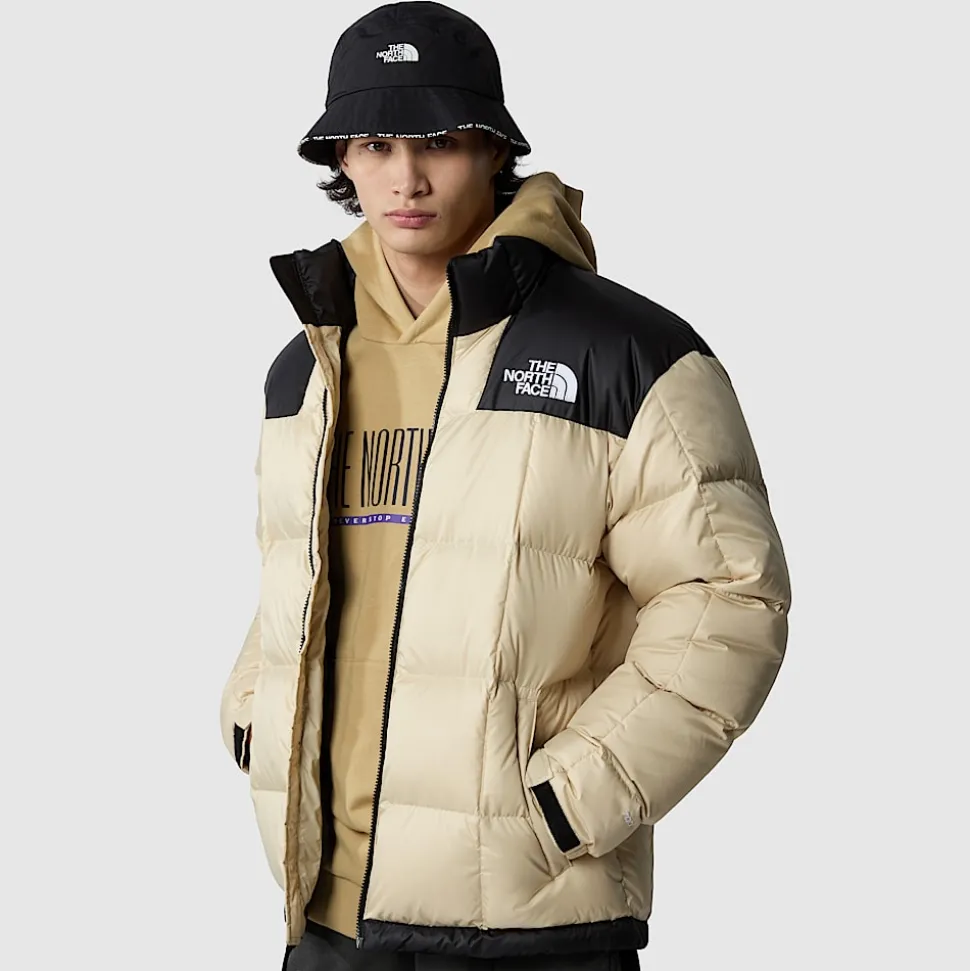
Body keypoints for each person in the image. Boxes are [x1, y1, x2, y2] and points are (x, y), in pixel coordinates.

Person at [219, 3, 792, 969]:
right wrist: (255, 718)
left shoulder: (626, 353)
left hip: (530, 916)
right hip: (324, 908)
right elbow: (303, 579)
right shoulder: (306, 366)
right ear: (341, 159)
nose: (406, 177)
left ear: (494, 150)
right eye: (376, 144)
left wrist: (572, 799)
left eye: (439, 142)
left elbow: (730, 596)